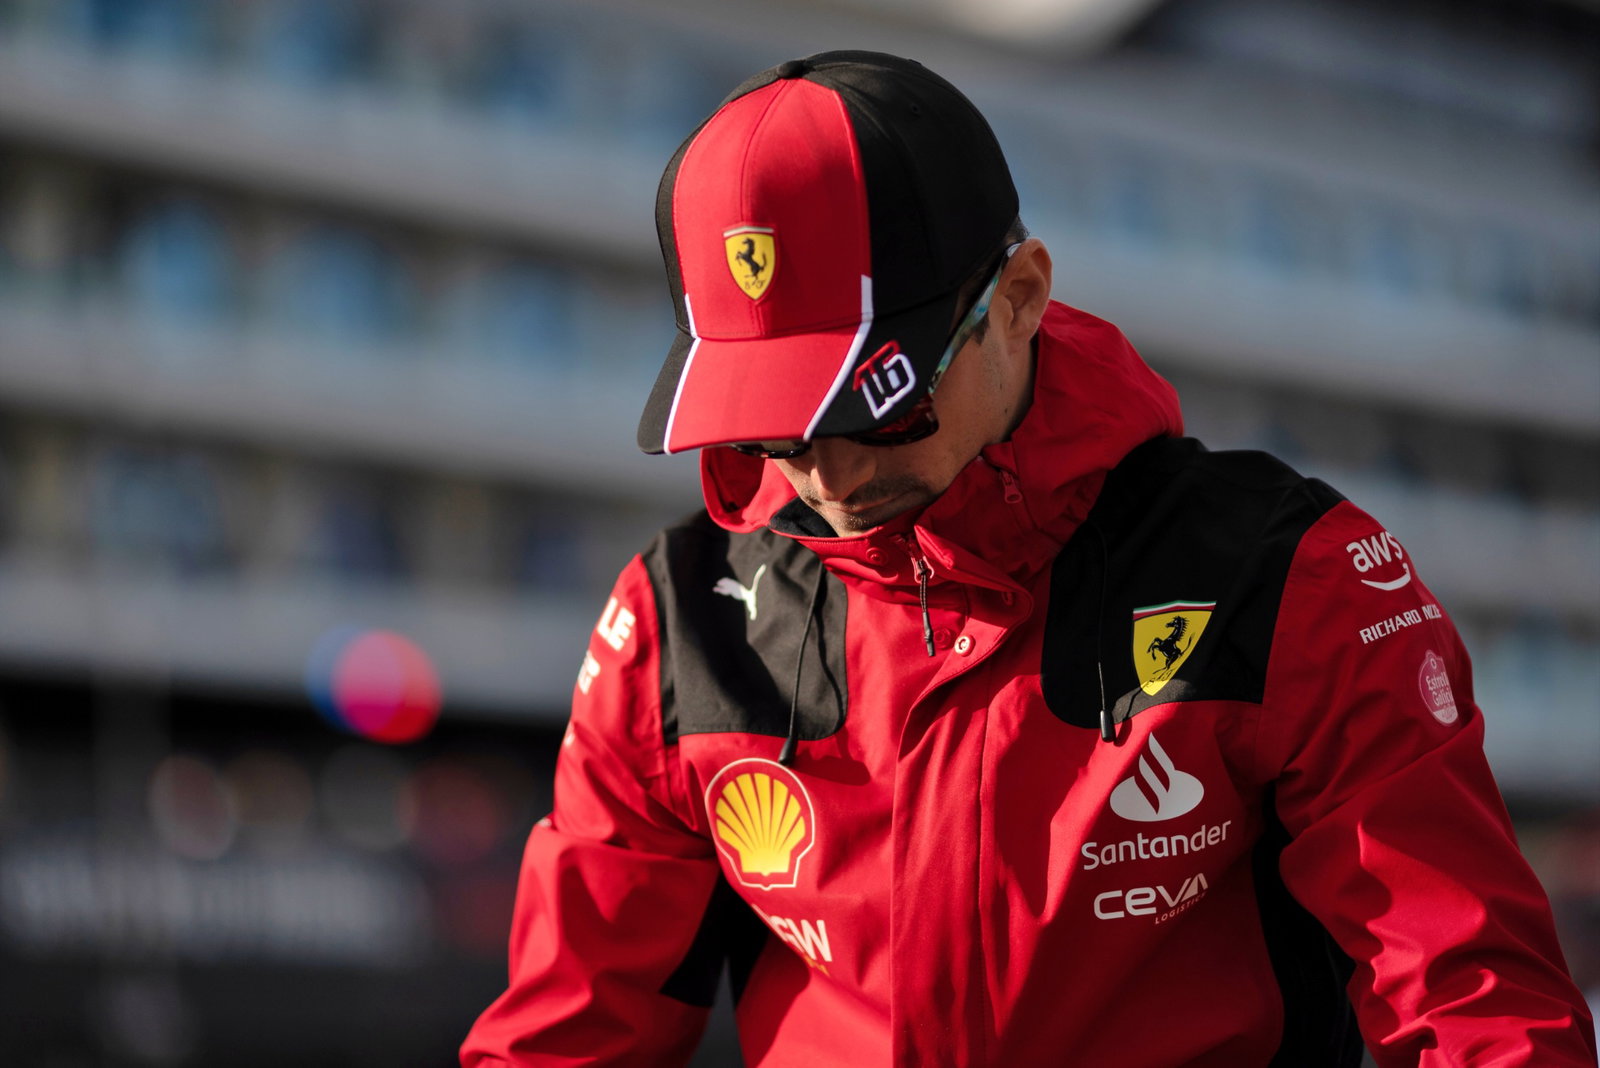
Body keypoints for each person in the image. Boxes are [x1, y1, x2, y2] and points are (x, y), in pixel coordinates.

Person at [462, 51, 1596, 1066]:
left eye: (874, 405)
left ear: (1019, 300)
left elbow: (1475, 1009)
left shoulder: (1290, 575)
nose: (827, 469)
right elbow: (563, 1039)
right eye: (771, 422)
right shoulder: (675, 624)